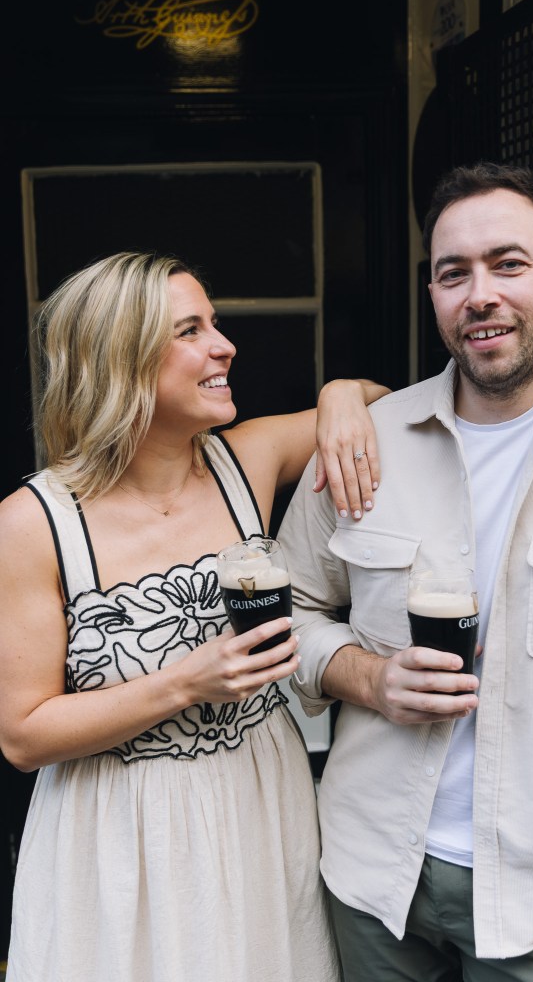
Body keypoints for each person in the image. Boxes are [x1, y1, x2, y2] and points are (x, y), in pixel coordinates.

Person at [277, 162, 533, 981]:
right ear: (431, 293)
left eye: (507, 264)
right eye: (452, 273)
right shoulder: (367, 439)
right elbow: (288, 610)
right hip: (368, 874)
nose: (479, 294)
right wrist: (367, 678)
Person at [0, 251, 390, 982]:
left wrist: (339, 392)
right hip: (119, 833)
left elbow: (383, 400)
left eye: (215, 324)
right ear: (119, 358)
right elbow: (23, 735)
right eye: (190, 331)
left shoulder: (251, 459)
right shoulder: (33, 524)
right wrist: (185, 682)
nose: (224, 345)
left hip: (261, 803)